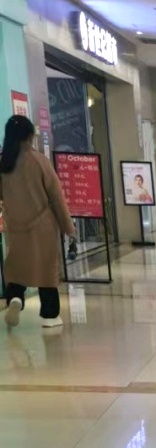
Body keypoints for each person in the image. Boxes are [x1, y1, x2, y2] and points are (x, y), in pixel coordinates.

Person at [0, 115, 76, 328]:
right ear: (29, 136)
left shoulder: (4, 163)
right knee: (46, 270)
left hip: (15, 227)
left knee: (17, 267)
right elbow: (56, 197)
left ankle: (15, 298)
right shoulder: (39, 160)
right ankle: (50, 316)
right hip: (43, 227)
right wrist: (68, 227)